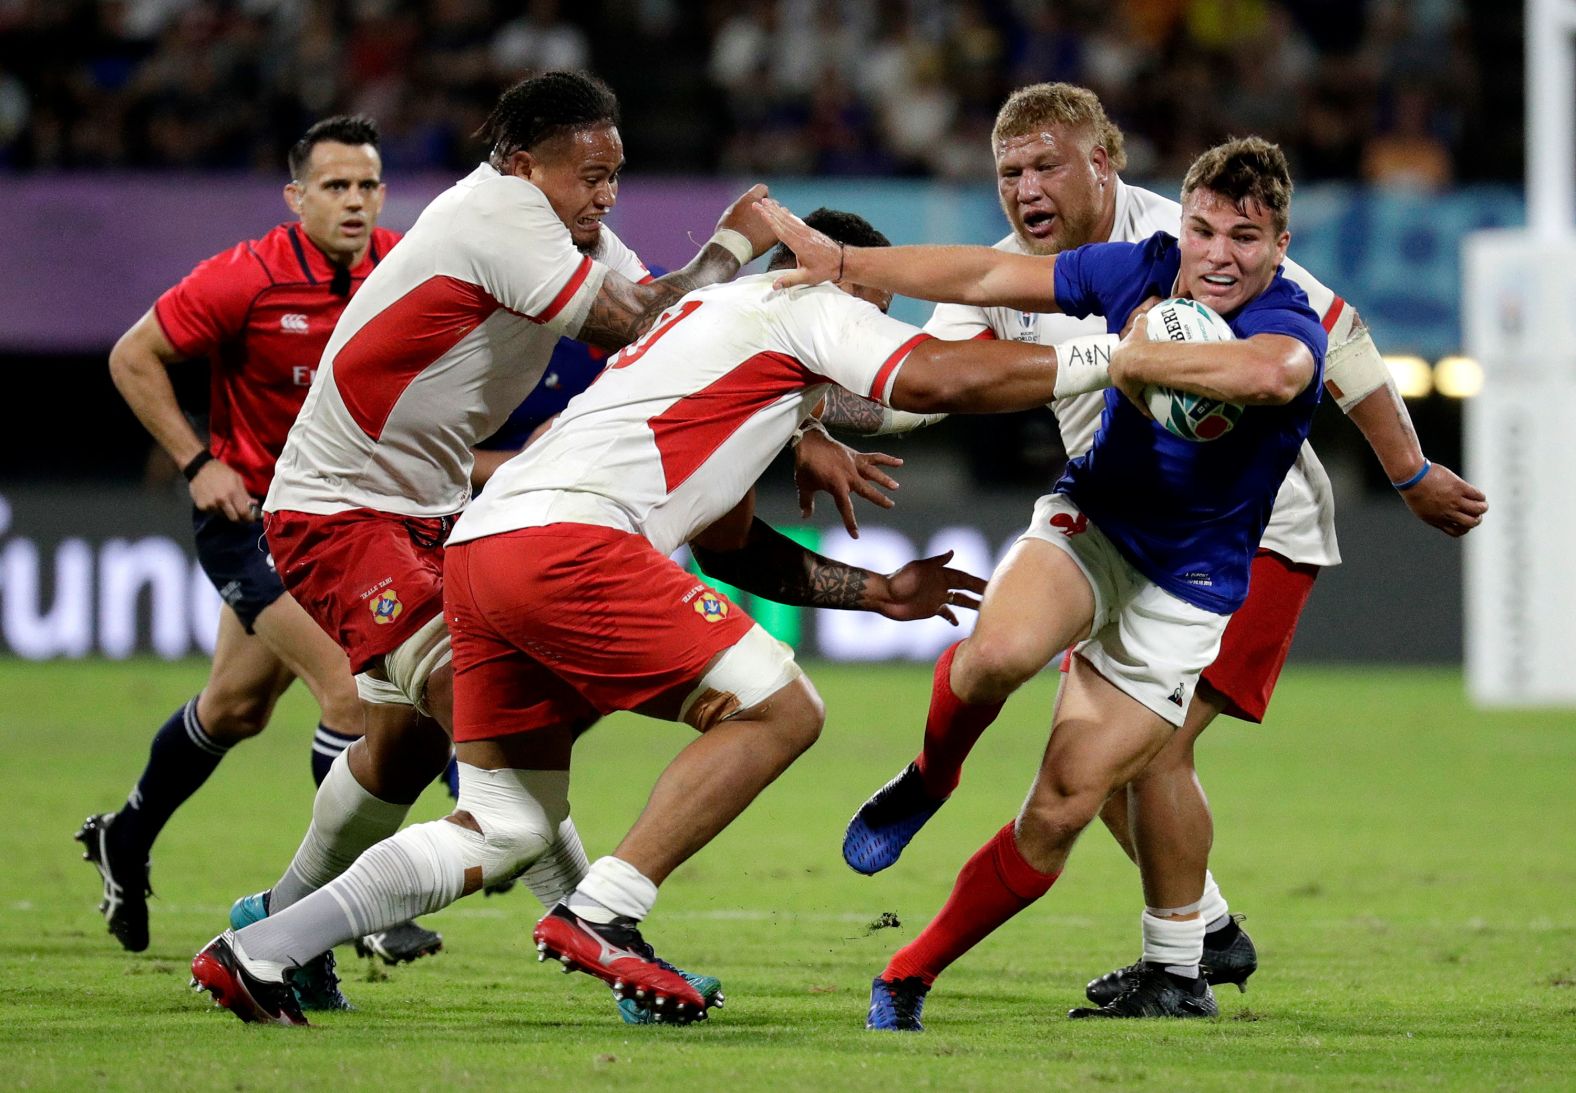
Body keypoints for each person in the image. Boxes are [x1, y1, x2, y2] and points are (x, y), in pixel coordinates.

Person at [187, 206, 1153, 1027]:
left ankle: (262, 945)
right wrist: (1119, 354)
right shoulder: (814, 301)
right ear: (849, 286)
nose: (871, 343)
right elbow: (942, 379)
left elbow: (732, 544)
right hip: (567, 541)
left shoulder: (709, 322)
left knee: (508, 820)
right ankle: (604, 912)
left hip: (485, 547)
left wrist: (877, 592)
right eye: (880, 314)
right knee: (782, 710)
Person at [806, 84, 1486, 1020]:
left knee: (1134, 763)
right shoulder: (1117, 268)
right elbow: (926, 388)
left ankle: (1183, 950)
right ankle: (1189, 932)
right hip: (1106, 516)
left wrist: (1410, 475)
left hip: (1252, 539)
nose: (1026, 188)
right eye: (1010, 171)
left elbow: (1335, 347)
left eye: (1047, 165)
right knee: (1020, 674)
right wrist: (806, 392)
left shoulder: (1195, 233)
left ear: (1103, 165)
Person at [193, 71, 816, 1019]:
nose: (604, 196)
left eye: (614, 176)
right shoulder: (495, 216)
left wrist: (795, 422)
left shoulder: (572, 234)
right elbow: (634, 320)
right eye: (587, 175)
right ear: (523, 165)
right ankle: (597, 937)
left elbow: (670, 333)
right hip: (343, 512)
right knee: (499, 744)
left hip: (435, 514)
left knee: (402, 753)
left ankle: (279, 918)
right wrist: (736, 239)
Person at [80, 115, 441, 969]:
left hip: (348, 522)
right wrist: (196, 459)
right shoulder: (247, 275)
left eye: (367, 185)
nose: (354, 201)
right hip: (253, 519)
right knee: (349, 698)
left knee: (236, 707)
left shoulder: (404, 266)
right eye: (334, 186)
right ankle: (361, 908)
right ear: (296, 197)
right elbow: (134, 356)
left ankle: (124, 836)